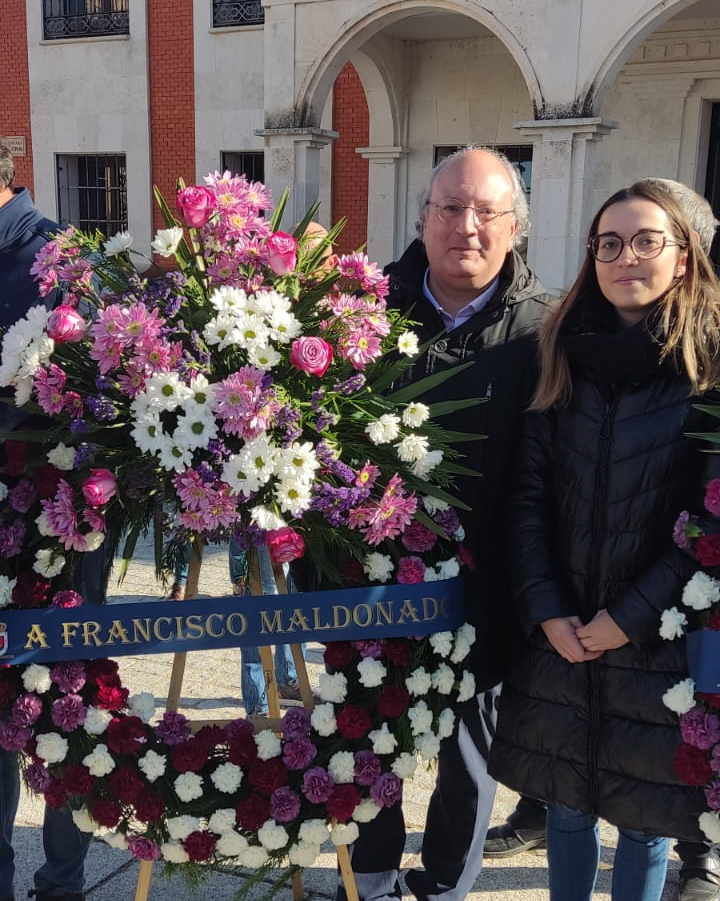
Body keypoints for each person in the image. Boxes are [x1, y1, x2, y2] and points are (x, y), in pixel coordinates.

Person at [485, 177, 720, 901]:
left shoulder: (706, 364)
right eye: (609, 243)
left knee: (645, 819)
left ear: (683, 256)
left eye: (647, 240)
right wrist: (547, 608)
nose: (626, 257)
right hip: (562, 632)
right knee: (565, 805)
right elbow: (525, 496)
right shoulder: (562, 349)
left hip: (654, 636)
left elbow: (708, 522)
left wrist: (627, 619)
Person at [339, 146, 553, 901]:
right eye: (451, 208)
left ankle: (445, 888)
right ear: (422, 219)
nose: (468, 225)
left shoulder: (545, 330)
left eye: (487, 211)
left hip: (485, 595)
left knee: (470, 764)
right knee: (369, 747)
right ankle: (366, 881)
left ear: (515, 226)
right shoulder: (357, 314)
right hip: (370, 592)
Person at [0, 141, 92, 901]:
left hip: (49, 529)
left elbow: (90, 398)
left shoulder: (54, 257)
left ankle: (61, 881)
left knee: (64, 705)